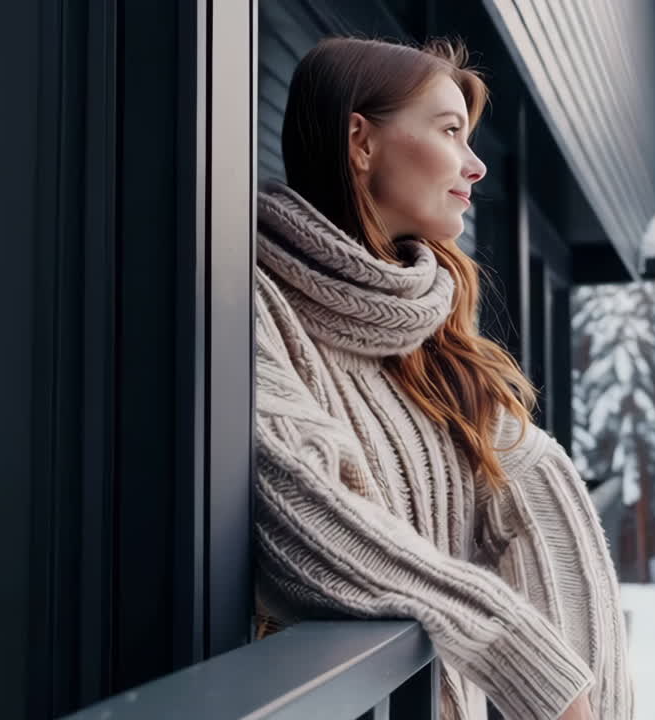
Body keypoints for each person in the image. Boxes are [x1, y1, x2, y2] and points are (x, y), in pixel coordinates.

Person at [253, 37, 634, 720]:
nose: (476, 164)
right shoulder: (249, 300)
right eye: (451, 130)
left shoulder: (432, 345)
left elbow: (540, 501)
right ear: (361, 142)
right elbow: (301, 509)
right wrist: (512, 645)